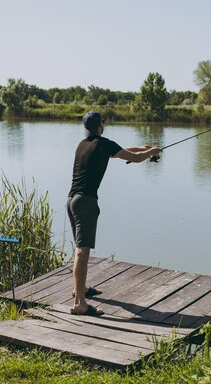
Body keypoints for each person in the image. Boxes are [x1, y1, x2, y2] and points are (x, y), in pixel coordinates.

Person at [67, 110, 162, 316]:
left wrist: (145, 149)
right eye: (103, 123)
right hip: (86, 202)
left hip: (72, 201)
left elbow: (123, 151)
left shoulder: (83, 144)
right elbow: (134, 158)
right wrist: (152, 151)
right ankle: (80, 304)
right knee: (82, 252)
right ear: (101, 125)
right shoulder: (104, 144)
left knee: (79, 249)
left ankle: (80, 289)